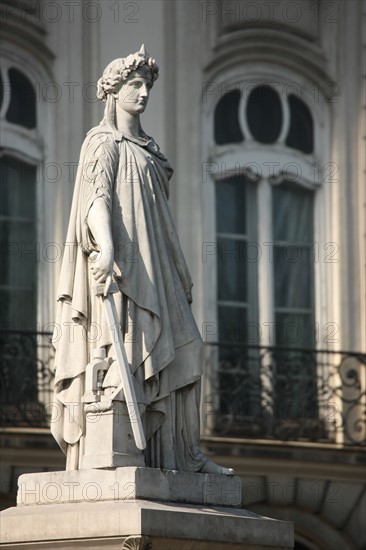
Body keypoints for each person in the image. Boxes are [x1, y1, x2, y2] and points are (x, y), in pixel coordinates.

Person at [51, 45, 233, 475]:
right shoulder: (103, 142)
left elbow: (159, 217)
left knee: (187, 348)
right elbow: (95, 198)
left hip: (159, 269)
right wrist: (108, 247)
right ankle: (125, 453)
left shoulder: (148, 149)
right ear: (113, 92)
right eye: (134, 85)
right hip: (128, 273)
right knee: (128, 352)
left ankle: (183, 454)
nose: (143, 93)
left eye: (147, 85)